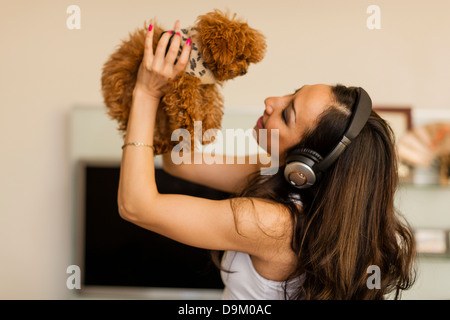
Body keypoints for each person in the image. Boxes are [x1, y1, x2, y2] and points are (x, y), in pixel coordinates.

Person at [118, 21, 416, 300]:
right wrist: (192, 79)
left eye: (287, 115)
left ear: (307, 164)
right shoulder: (284, 179)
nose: (272, 101)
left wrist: (146, 92)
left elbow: (136, 206)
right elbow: (179, 162)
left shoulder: (273, 224)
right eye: (292, 94)